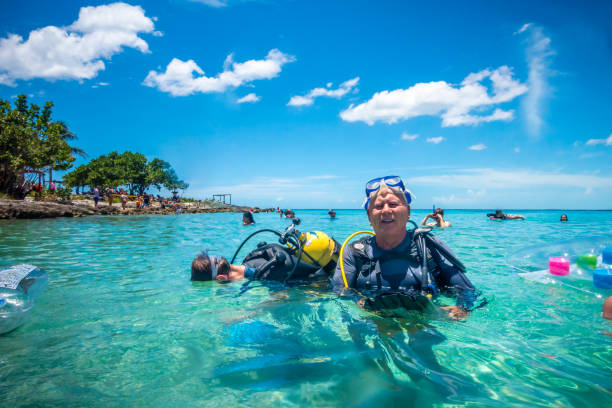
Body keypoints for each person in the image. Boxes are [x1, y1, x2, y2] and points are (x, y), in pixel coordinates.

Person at [332, 175, 476, 318]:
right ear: (369, 215)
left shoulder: (429, 247)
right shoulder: (354, 253)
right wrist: (359, 303)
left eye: (393, 205)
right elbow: (340, 294)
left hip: (423, 321)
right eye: (379, 206)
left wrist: (461, 309)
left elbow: (468, 291)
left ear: (408, 212)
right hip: (372, 321)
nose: (386, 211)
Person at [191, 231, 339, 283]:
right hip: (320, 271)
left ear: (220, 278)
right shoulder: (250, 261)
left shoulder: (254, 270)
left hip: (320, 279)